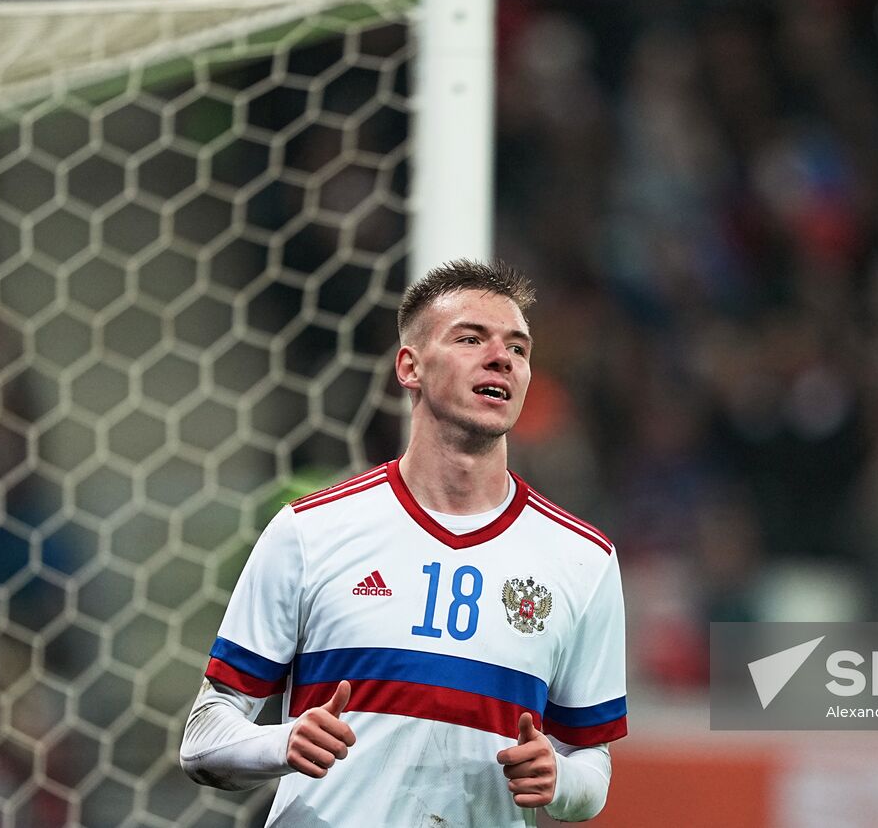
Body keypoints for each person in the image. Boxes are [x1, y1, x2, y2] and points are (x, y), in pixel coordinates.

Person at [180, 259, 626, 825]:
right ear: (409, 367)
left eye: (518, 348)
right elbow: (203, 737)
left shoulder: (583, 561)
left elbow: (592, 764)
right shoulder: (311, 530)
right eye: (471, 338)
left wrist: (560, 780)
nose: (501, 358)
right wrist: (283, 743)